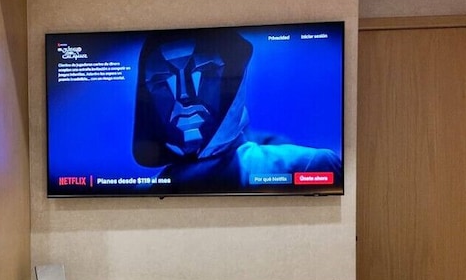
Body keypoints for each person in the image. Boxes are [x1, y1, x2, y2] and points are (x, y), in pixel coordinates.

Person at [131, 28, 342, 192]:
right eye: (160, 82)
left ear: (235, 80)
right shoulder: (144, 193)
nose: (184, 94)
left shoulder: (310, 166)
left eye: (206, 71)